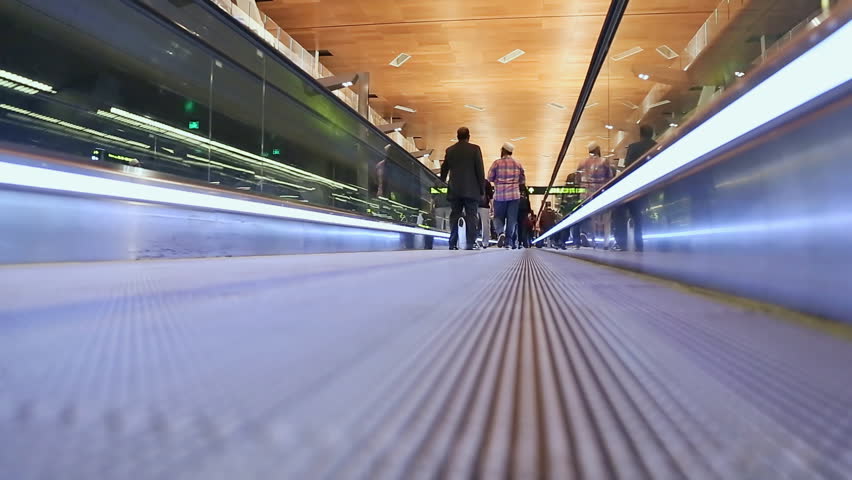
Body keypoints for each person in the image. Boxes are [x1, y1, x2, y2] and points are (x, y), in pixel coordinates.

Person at [440, 127, 485, 250]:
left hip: (455, 190)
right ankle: (471, 242)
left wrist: (441, 182)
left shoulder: (450, 150)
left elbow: (444, 170)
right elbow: (480, 171)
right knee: (471, 216)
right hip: (471, 190)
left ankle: (452, 242)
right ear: (468, 136)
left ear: (457, 136)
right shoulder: (475, 149)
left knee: (455, 215)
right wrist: (482, 190)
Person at [615, 125, 657, 250]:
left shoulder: (634, 147)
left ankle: (624, 243)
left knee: (622, 211)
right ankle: (643, 243)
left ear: (640, 134)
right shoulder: (658, 146)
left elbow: (628, 166)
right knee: (641, 215)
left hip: (636, 185)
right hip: (654, 184)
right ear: (652, 133)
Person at [487, 142, 525, 249]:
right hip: (514, 196)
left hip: (500, 195)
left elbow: (489, 178)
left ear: (503, 151)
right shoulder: (518, 164)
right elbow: (522, 180)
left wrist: (497, 181)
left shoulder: (496, 163)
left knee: (497, 217)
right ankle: (508, 242)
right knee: (512, 219)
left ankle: (500, 233)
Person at [578, 141, 614, 248]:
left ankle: (594, 241)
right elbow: (610, 177)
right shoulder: (604, 161)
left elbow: (578, 178)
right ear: (598, 150)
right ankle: (606, 242)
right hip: (602, 193)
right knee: (606, 219)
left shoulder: (583, 163)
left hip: (589, 194)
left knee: (593, 220)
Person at [478, 180, 494, 248]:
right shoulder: (486, 182)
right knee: (485, 226)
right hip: (484, 206)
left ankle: (473, 241)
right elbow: (491, 197)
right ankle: (485, 243)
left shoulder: (471, 180)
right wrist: (492, 207)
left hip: (473, 206)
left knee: (473, 224)